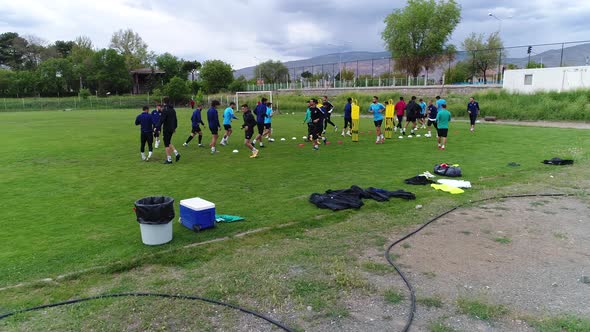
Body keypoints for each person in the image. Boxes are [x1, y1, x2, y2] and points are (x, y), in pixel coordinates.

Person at [156, 97, 180, 164]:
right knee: (168, 141)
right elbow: (175, 120)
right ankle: (176, 153)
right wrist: (174, 128)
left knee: (166, 144)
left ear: (164, 102)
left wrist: (157, 128)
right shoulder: (173, 110)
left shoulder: (165, 110)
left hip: (166, 129)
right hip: (172, 129)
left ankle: (169, 160)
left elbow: (161, 120)